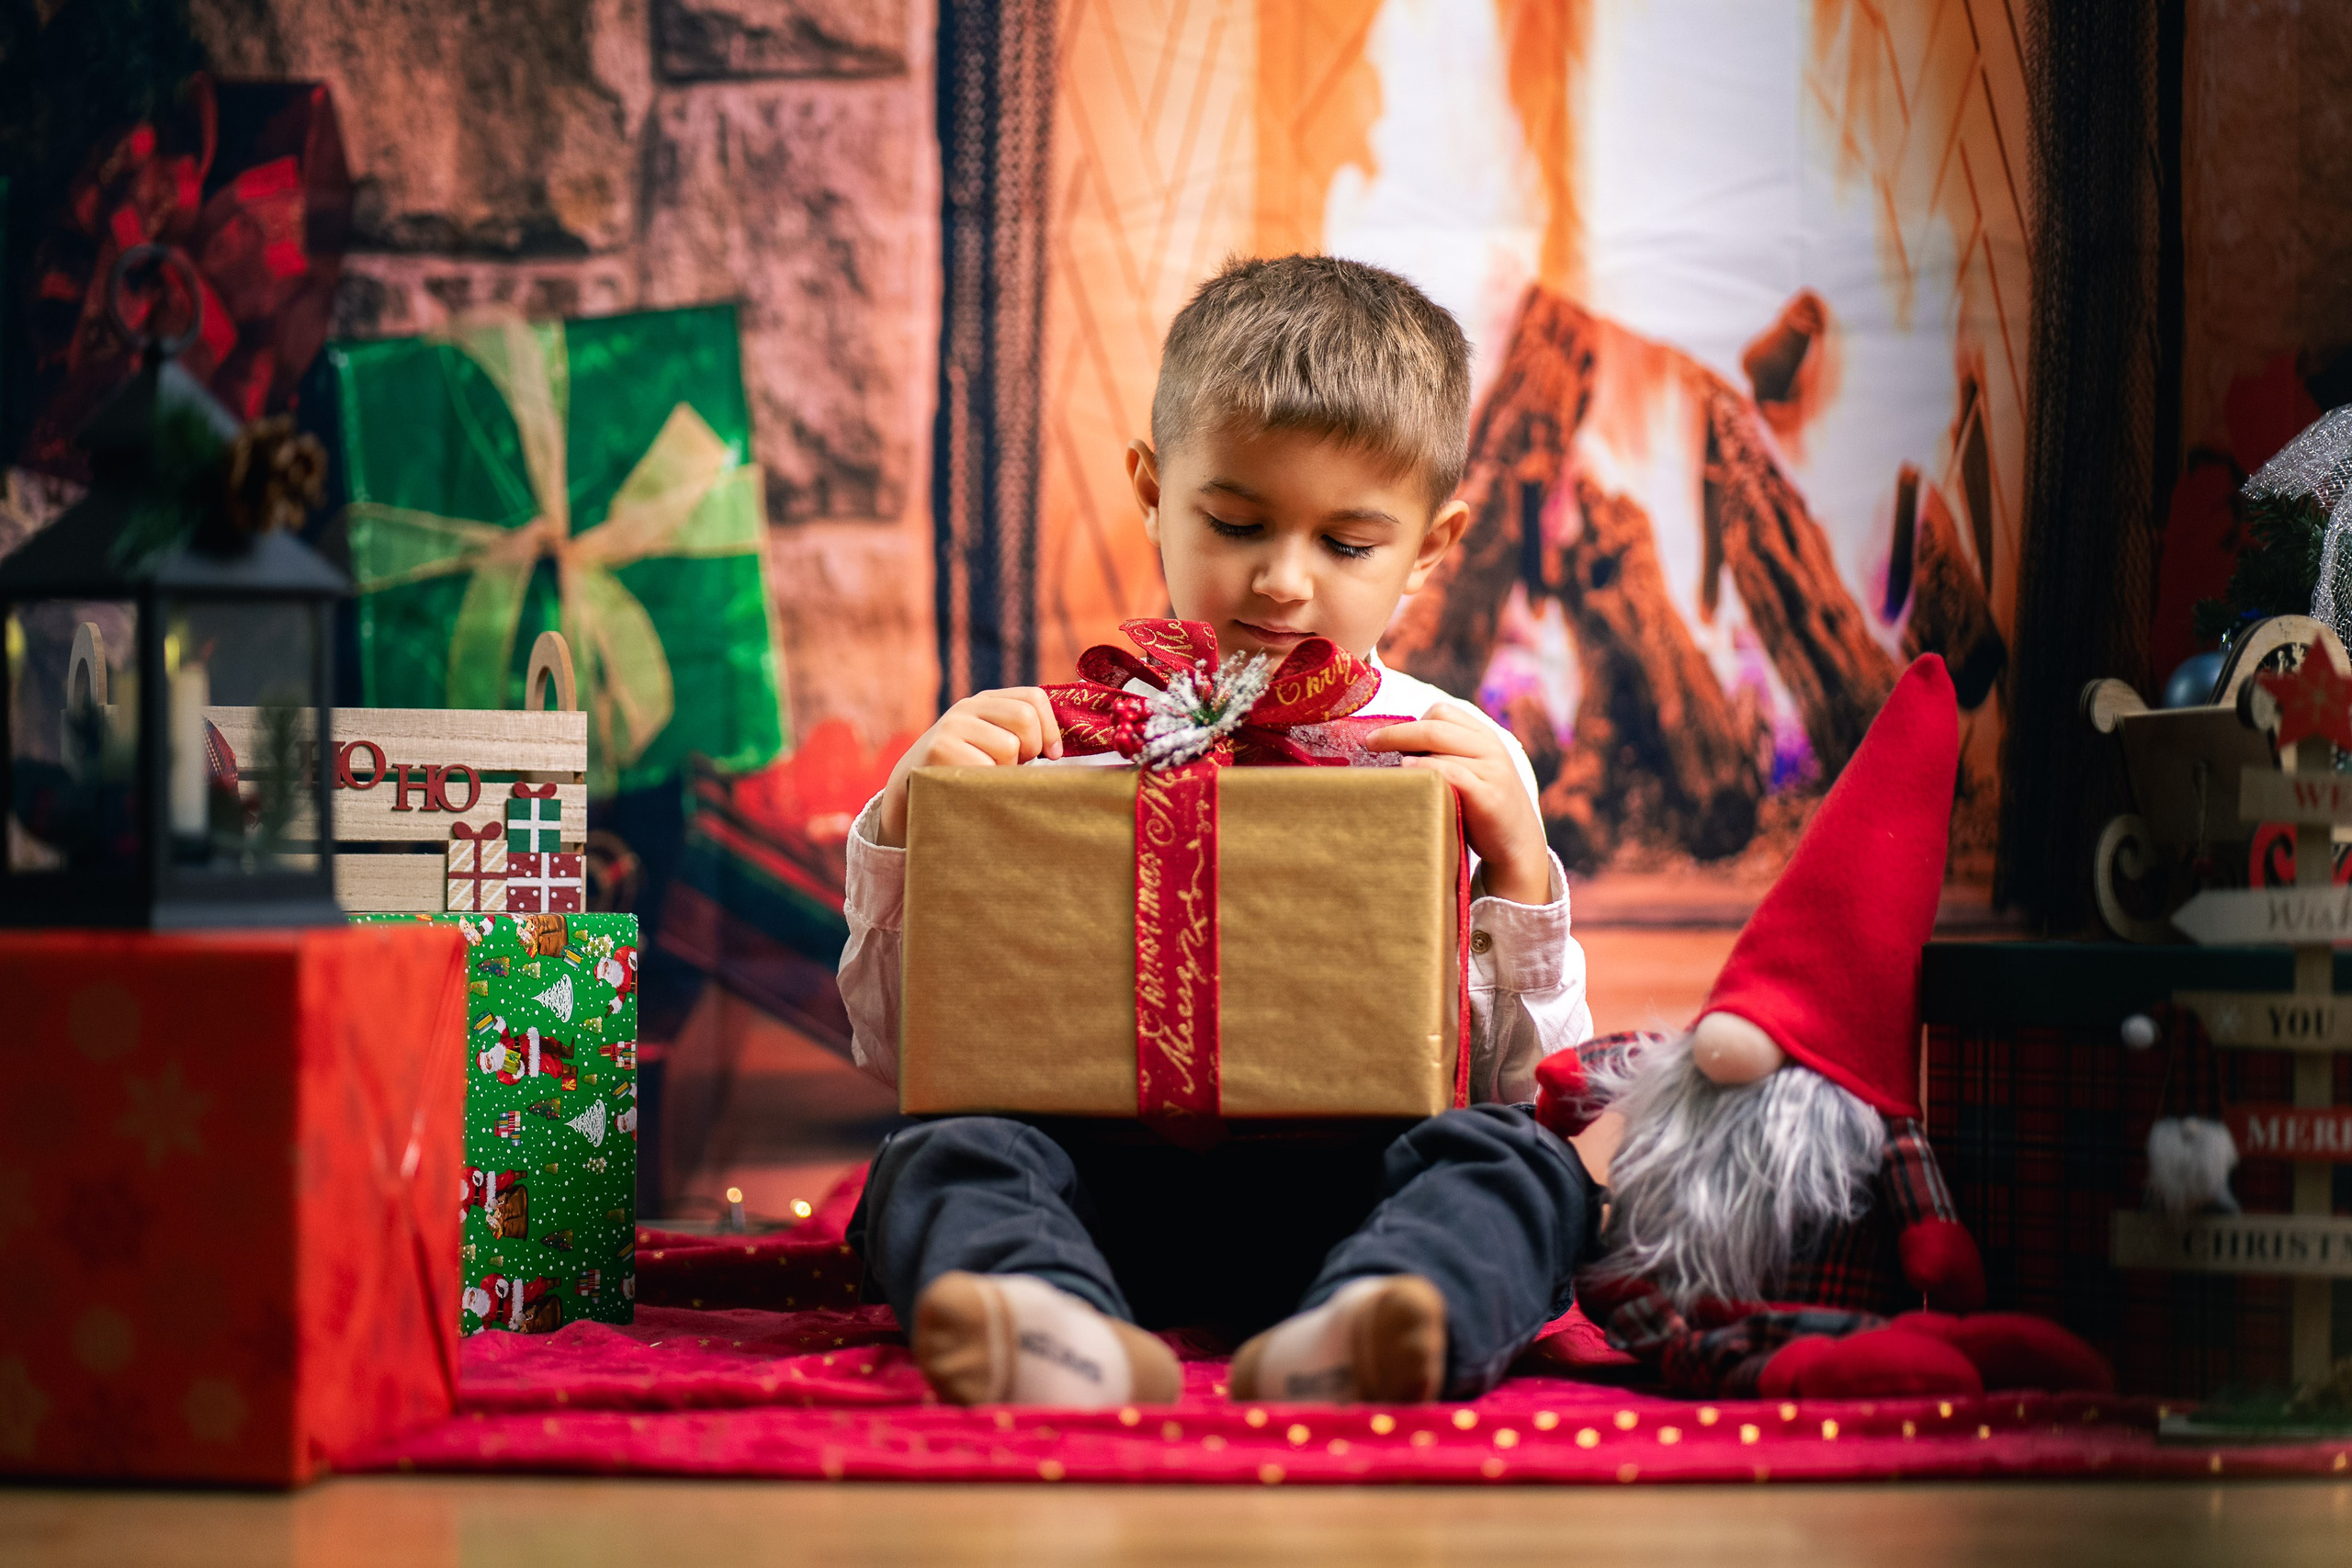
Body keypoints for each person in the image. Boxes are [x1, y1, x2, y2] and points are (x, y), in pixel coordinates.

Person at [837, 254, 1597, 1409]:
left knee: (1524, 1166)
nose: (1283, 581)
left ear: (1431, 547)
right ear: (1152, 489)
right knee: (937, 1157)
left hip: (1359, 1210)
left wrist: (1518, 874)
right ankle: (1044, 1320)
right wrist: (910, 832)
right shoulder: (1055, 741)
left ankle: (1386, 1320)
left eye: (1348, 545)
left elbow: (1527, 1091)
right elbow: (899, 1060)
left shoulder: (1455, 759)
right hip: (1098, 1208)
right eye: (1236, 522)